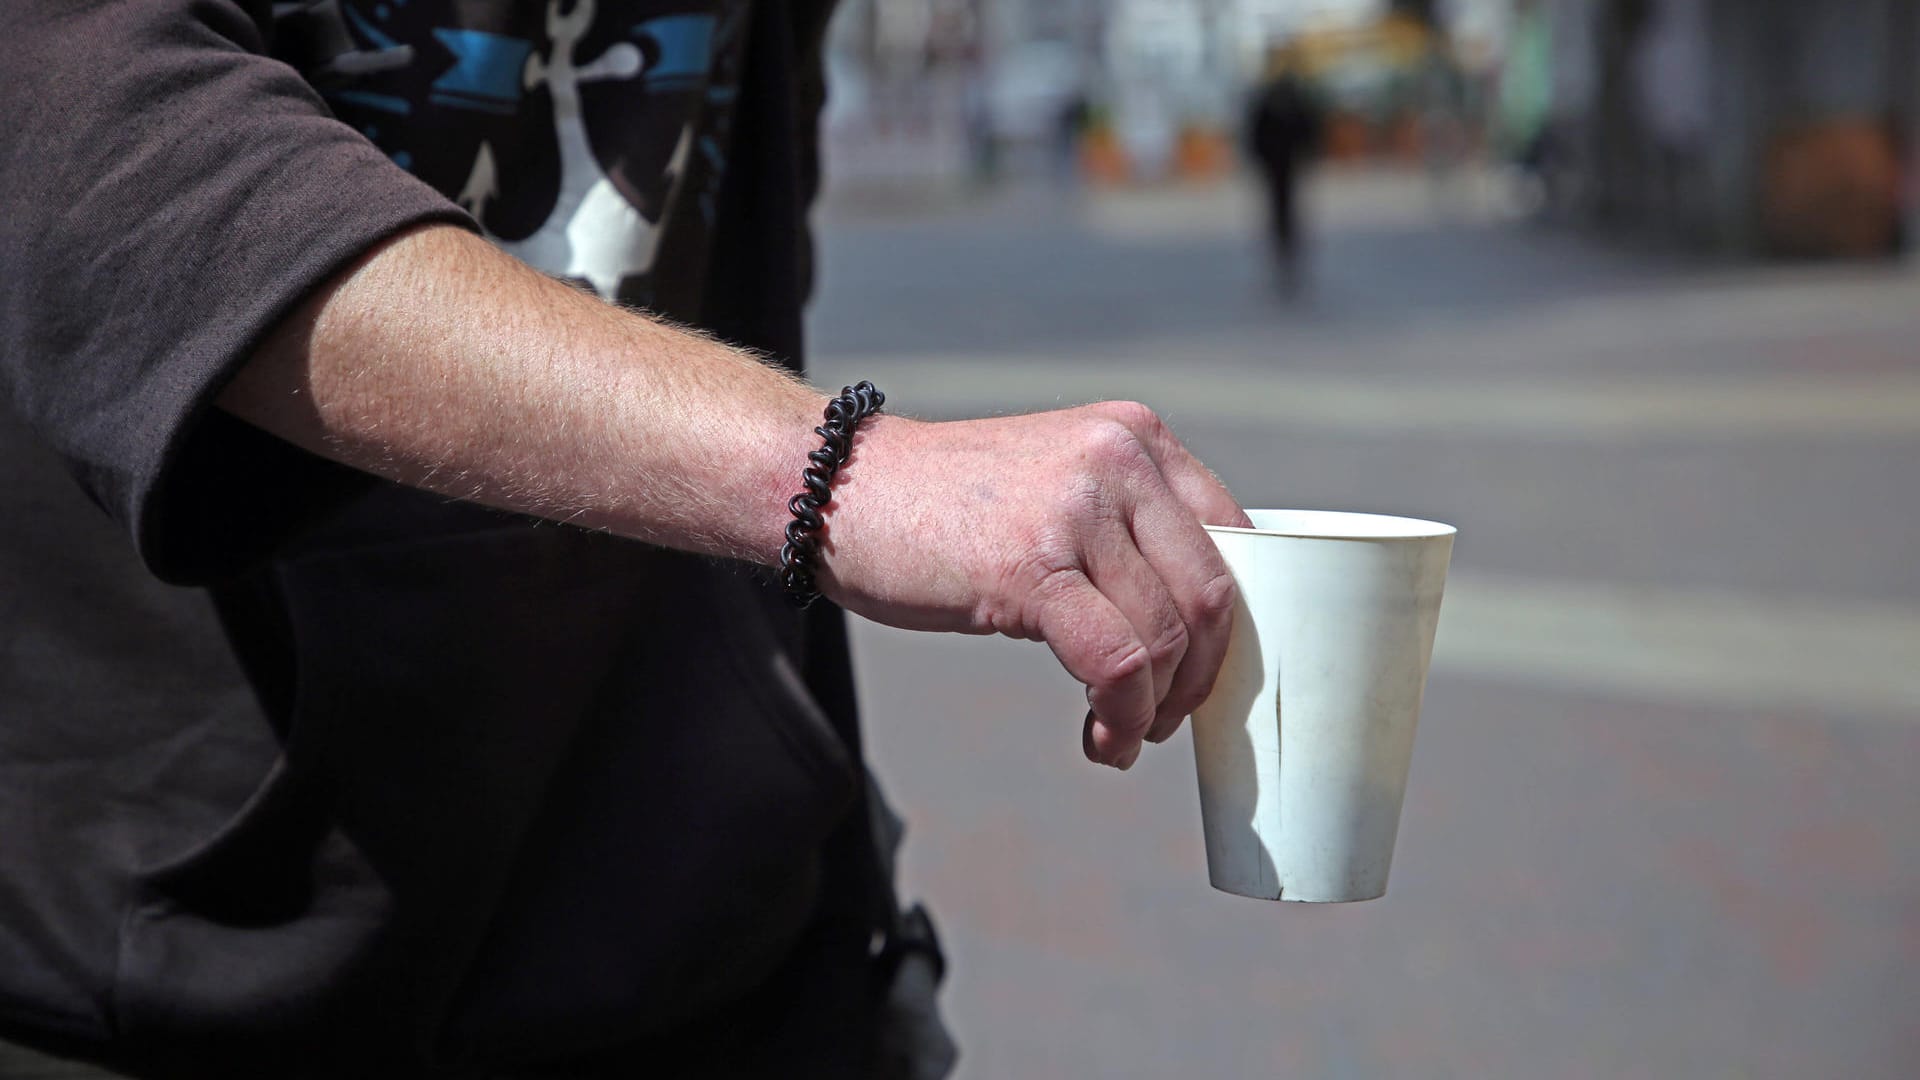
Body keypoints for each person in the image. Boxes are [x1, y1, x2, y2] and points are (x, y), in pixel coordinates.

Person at [0, 1, 1249, 1077]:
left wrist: (826, 848)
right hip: (188, 951)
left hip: (721, 954)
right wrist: (839, 474)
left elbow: (748, 253)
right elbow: (102, 149)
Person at [1245, 46, 1324, 296]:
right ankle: (1284, 250)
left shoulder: (1281, 95)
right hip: (1279, 164)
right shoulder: (1276, 95)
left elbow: (1308, 128)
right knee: (1283, 210)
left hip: (1284, 164)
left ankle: (1287, 250)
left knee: (1286, 209)